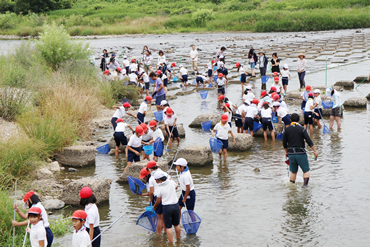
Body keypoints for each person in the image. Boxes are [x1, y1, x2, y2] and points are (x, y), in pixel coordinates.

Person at [283, 113, 318, 186]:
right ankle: (305, 186)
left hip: (291, 154)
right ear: (299, 120)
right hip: (301, 153)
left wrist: (287, 152)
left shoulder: (286, 130)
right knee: (306, 171)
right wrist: (314, 151)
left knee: (293, 172)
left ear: (290, 120)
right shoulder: (302, 129)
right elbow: (309, 141)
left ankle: (292, 187)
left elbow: (284, 144)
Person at [153, 170, 180, 243]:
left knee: (168, 227)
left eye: (156, 180)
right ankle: (178, 240)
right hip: (176, 205)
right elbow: (176, 187)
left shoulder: (159, 188)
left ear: (159, 179)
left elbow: (158, 201)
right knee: (177, 224)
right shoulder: (171, 182)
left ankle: (171, 243)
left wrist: (154, 206)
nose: (155, 181)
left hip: (167, 207)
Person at [147, 161, 166, 235]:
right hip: (165, 196)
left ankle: (158, 234)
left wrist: (150, 198)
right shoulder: (163, 173)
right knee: (164, 216)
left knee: (159, 217)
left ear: (150, 169)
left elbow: (151, 192)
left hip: (158, 197)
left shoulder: (152, 178)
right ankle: (165, 232)